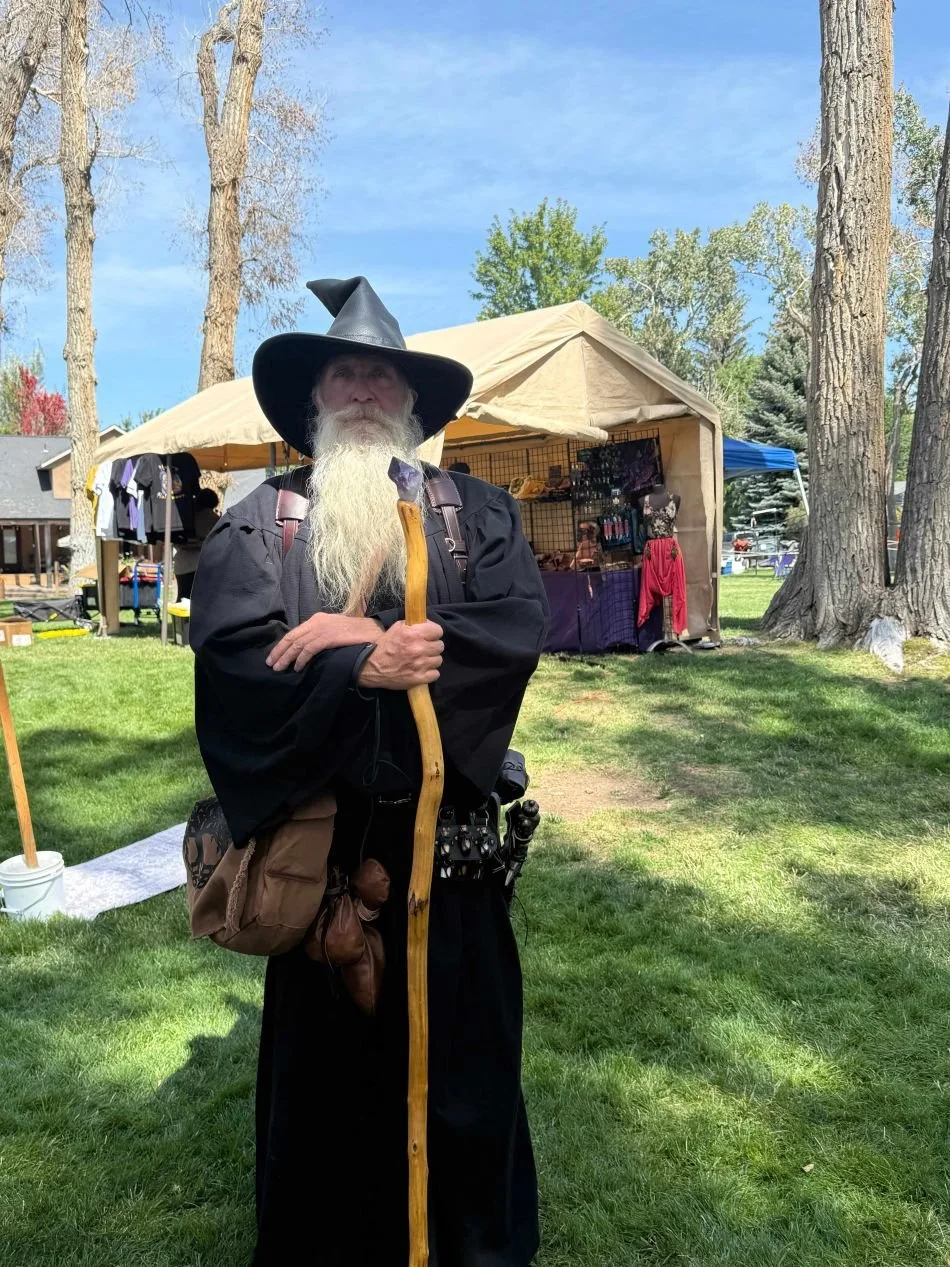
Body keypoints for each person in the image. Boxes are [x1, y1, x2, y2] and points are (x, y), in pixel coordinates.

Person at [189, 276, 549, 1267]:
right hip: (328, 860)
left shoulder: (476, 514)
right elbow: (232, 655)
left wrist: (384, 633)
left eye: (377, 375)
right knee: (329, 1081)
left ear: (409, 404)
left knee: (464, 1068)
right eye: (342, 373)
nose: (358, 389)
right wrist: (363, 665)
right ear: (314, 400)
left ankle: (469, 1244)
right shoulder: (263, 524)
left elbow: (515, 626)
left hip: (453, 855)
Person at [173, 488, 220, 600]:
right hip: (204, 565)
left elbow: (176, 541)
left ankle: (181, 618)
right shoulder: (215, 519)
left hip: (182, 564)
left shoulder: (185, 517)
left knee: (183, 598)